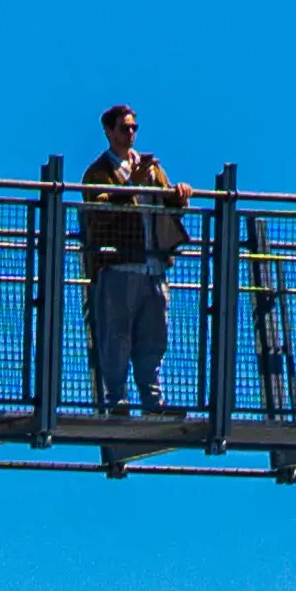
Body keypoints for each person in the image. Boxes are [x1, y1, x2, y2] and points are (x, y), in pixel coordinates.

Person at [76, 105, 185, 418]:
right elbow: (100, 209)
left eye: (134, 128)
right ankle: (116, 400)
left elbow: (167, 200)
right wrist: (131, 185)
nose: (131, 134)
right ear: (109, 132)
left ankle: (153, 402)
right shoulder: (98, 172)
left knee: (154, 338)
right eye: (125, 128)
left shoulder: (151, 169)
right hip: (120, 266)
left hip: (153, 267)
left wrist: (178, 194)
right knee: (117, 336)